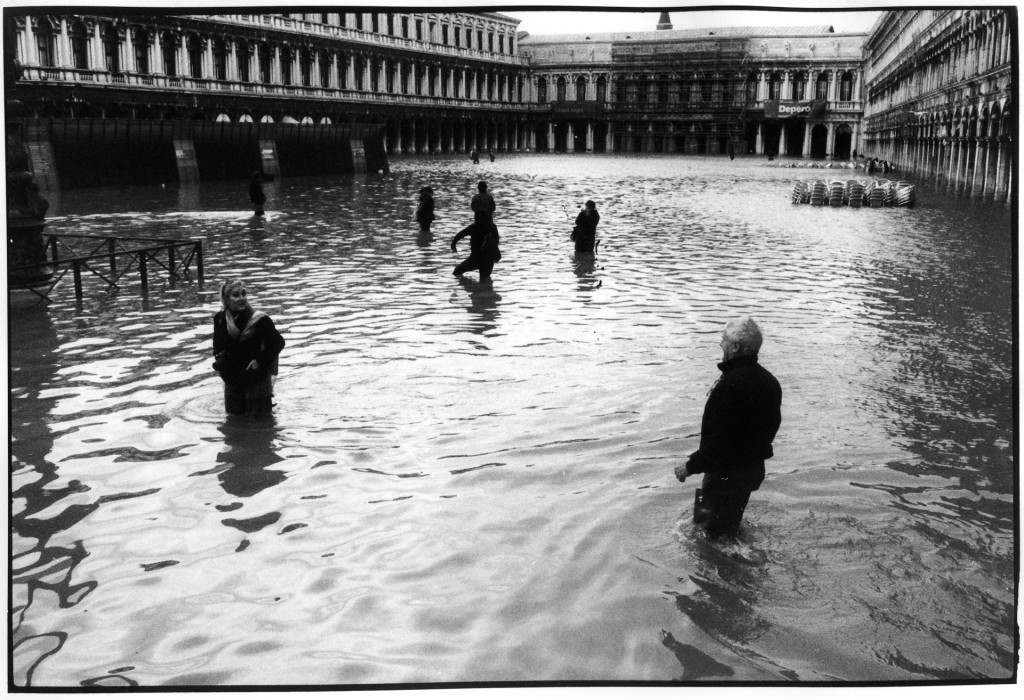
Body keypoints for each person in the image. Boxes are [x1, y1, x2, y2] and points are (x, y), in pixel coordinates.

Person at [674, 316, 782, 539]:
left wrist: (689, 466)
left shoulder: (728, 386)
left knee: (707, 537)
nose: (720, 344)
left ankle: (731, 567)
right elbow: (770, 429)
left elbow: (715, 444)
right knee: (724, 527)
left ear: (735, 346)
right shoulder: (770, 382)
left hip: (722, 477)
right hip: (752, 471)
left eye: (723, 339)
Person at [212, 279, 286, 416]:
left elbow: (278, 343)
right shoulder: (220, 319)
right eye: (236, 295)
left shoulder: (260, 320)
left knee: (261, 425)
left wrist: (259, 360)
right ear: (226, 300)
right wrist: (221, 362)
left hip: (256, 378)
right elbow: (217, 346)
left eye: (243, 294)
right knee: (233, 423)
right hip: (232, 379)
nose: (241, 298)